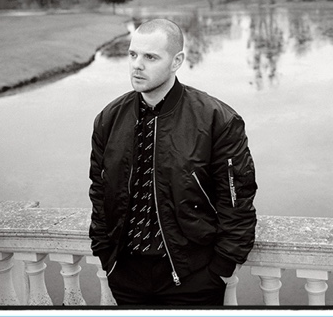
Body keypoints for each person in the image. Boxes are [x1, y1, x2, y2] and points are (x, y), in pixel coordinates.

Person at [88, 18, 257, 306]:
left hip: (193, 279)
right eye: (132, 54)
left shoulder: (217, 120)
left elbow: (237, 201)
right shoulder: (109, 118)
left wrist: (222, 268)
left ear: (177, 61)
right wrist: (106, 255)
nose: (137, 65)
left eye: (150, 57)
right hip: (127, 277)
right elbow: (100, 191)